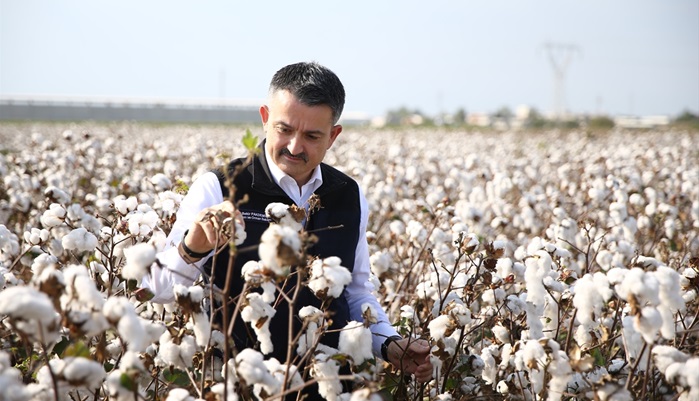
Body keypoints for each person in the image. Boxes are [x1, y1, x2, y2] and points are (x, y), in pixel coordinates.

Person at [142, 62, 433, 397]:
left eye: (312, 136)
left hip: (325, 386)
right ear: (265, 118)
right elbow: (157, 291)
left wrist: (388, 344)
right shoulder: (218, 188)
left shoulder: (348, 195)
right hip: (238, 386)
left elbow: (355, 292)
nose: (295, 147)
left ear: (333, 136)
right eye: (284, 129)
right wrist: (191, 249)